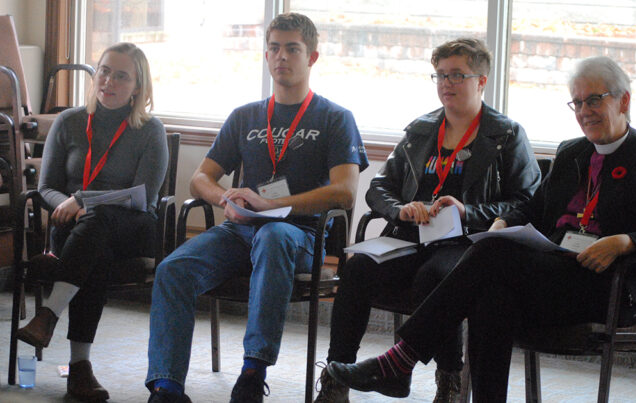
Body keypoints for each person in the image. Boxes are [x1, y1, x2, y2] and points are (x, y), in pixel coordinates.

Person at [326, 55, 636, 401]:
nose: (584, 111)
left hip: (609, 282)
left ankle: (401, 360)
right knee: (491, 299)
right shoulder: (571, 153)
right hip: (557, 271)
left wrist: (624, 242)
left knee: (492, 253)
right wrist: (503, 222)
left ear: (623, 100)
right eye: (576, 103)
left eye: (594, 100)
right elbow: (534, 207)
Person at [144, 13, 368, 403]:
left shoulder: (335, 118)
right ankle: (166, 386)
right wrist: (226, 199)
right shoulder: (245, 116)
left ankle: (253, 371)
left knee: (275, 233)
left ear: (312, 57)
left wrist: (273, 204)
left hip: (301, 236)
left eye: (293, 49)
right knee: (172, 269)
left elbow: (345, 192)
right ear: (266, 55)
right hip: (241, 230)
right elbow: (201, 178)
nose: (282, 57)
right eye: (275, 48)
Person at [315, 38, 540, 403]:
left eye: (457, 75)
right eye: (439, 75)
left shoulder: (507, 135)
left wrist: (468, 211)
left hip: (467, 243)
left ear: (481, 80)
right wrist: (399, 209)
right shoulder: (420, 131)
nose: (446, 84)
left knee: (434, 276)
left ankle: (448, 379)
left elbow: (527, 202)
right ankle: (337, 375)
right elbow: (379, 188)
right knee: (358, 267)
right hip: (409, 235)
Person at [16, 42, 168, 401]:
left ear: (138, 86)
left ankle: (50, 314)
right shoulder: (69, 122)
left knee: (97, 223)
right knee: (93, 245)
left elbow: (143, 195)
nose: (108, 81)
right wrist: (69, 206)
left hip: (133, 228)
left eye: (121, 75)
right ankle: (79, 370)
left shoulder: (150, 130)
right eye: (103, 70)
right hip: (76, 230)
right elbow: (46, 188)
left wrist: (84, 200)